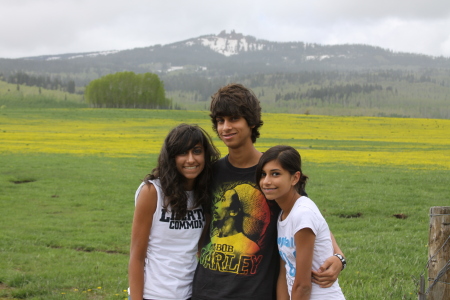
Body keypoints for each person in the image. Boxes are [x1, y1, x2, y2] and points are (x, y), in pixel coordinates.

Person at [192, 84, 345, 300]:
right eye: (220, 121)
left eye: (234, 119)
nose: (226, 127)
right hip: (206, 291)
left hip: (255, 292)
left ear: (252, 122)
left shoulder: (272, 174)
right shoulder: (210, 173)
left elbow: (308, 220)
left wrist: (339, 256)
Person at [128, 123, 220, 300]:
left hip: (190, 294)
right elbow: (136, 257)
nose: (191, 159)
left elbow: (199, 248)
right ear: (171, 157)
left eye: (197, 151)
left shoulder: (205, 194)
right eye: (183, 152)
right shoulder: (152, 192)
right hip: (152, 294)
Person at [256, 145, 345, 299]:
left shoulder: (303, 214)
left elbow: (303, 285)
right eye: (263, 174)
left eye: (275, 174)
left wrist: (340, 258)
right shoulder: (284, 214)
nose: (266, 181)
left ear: (295, 178)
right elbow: (286, 268)